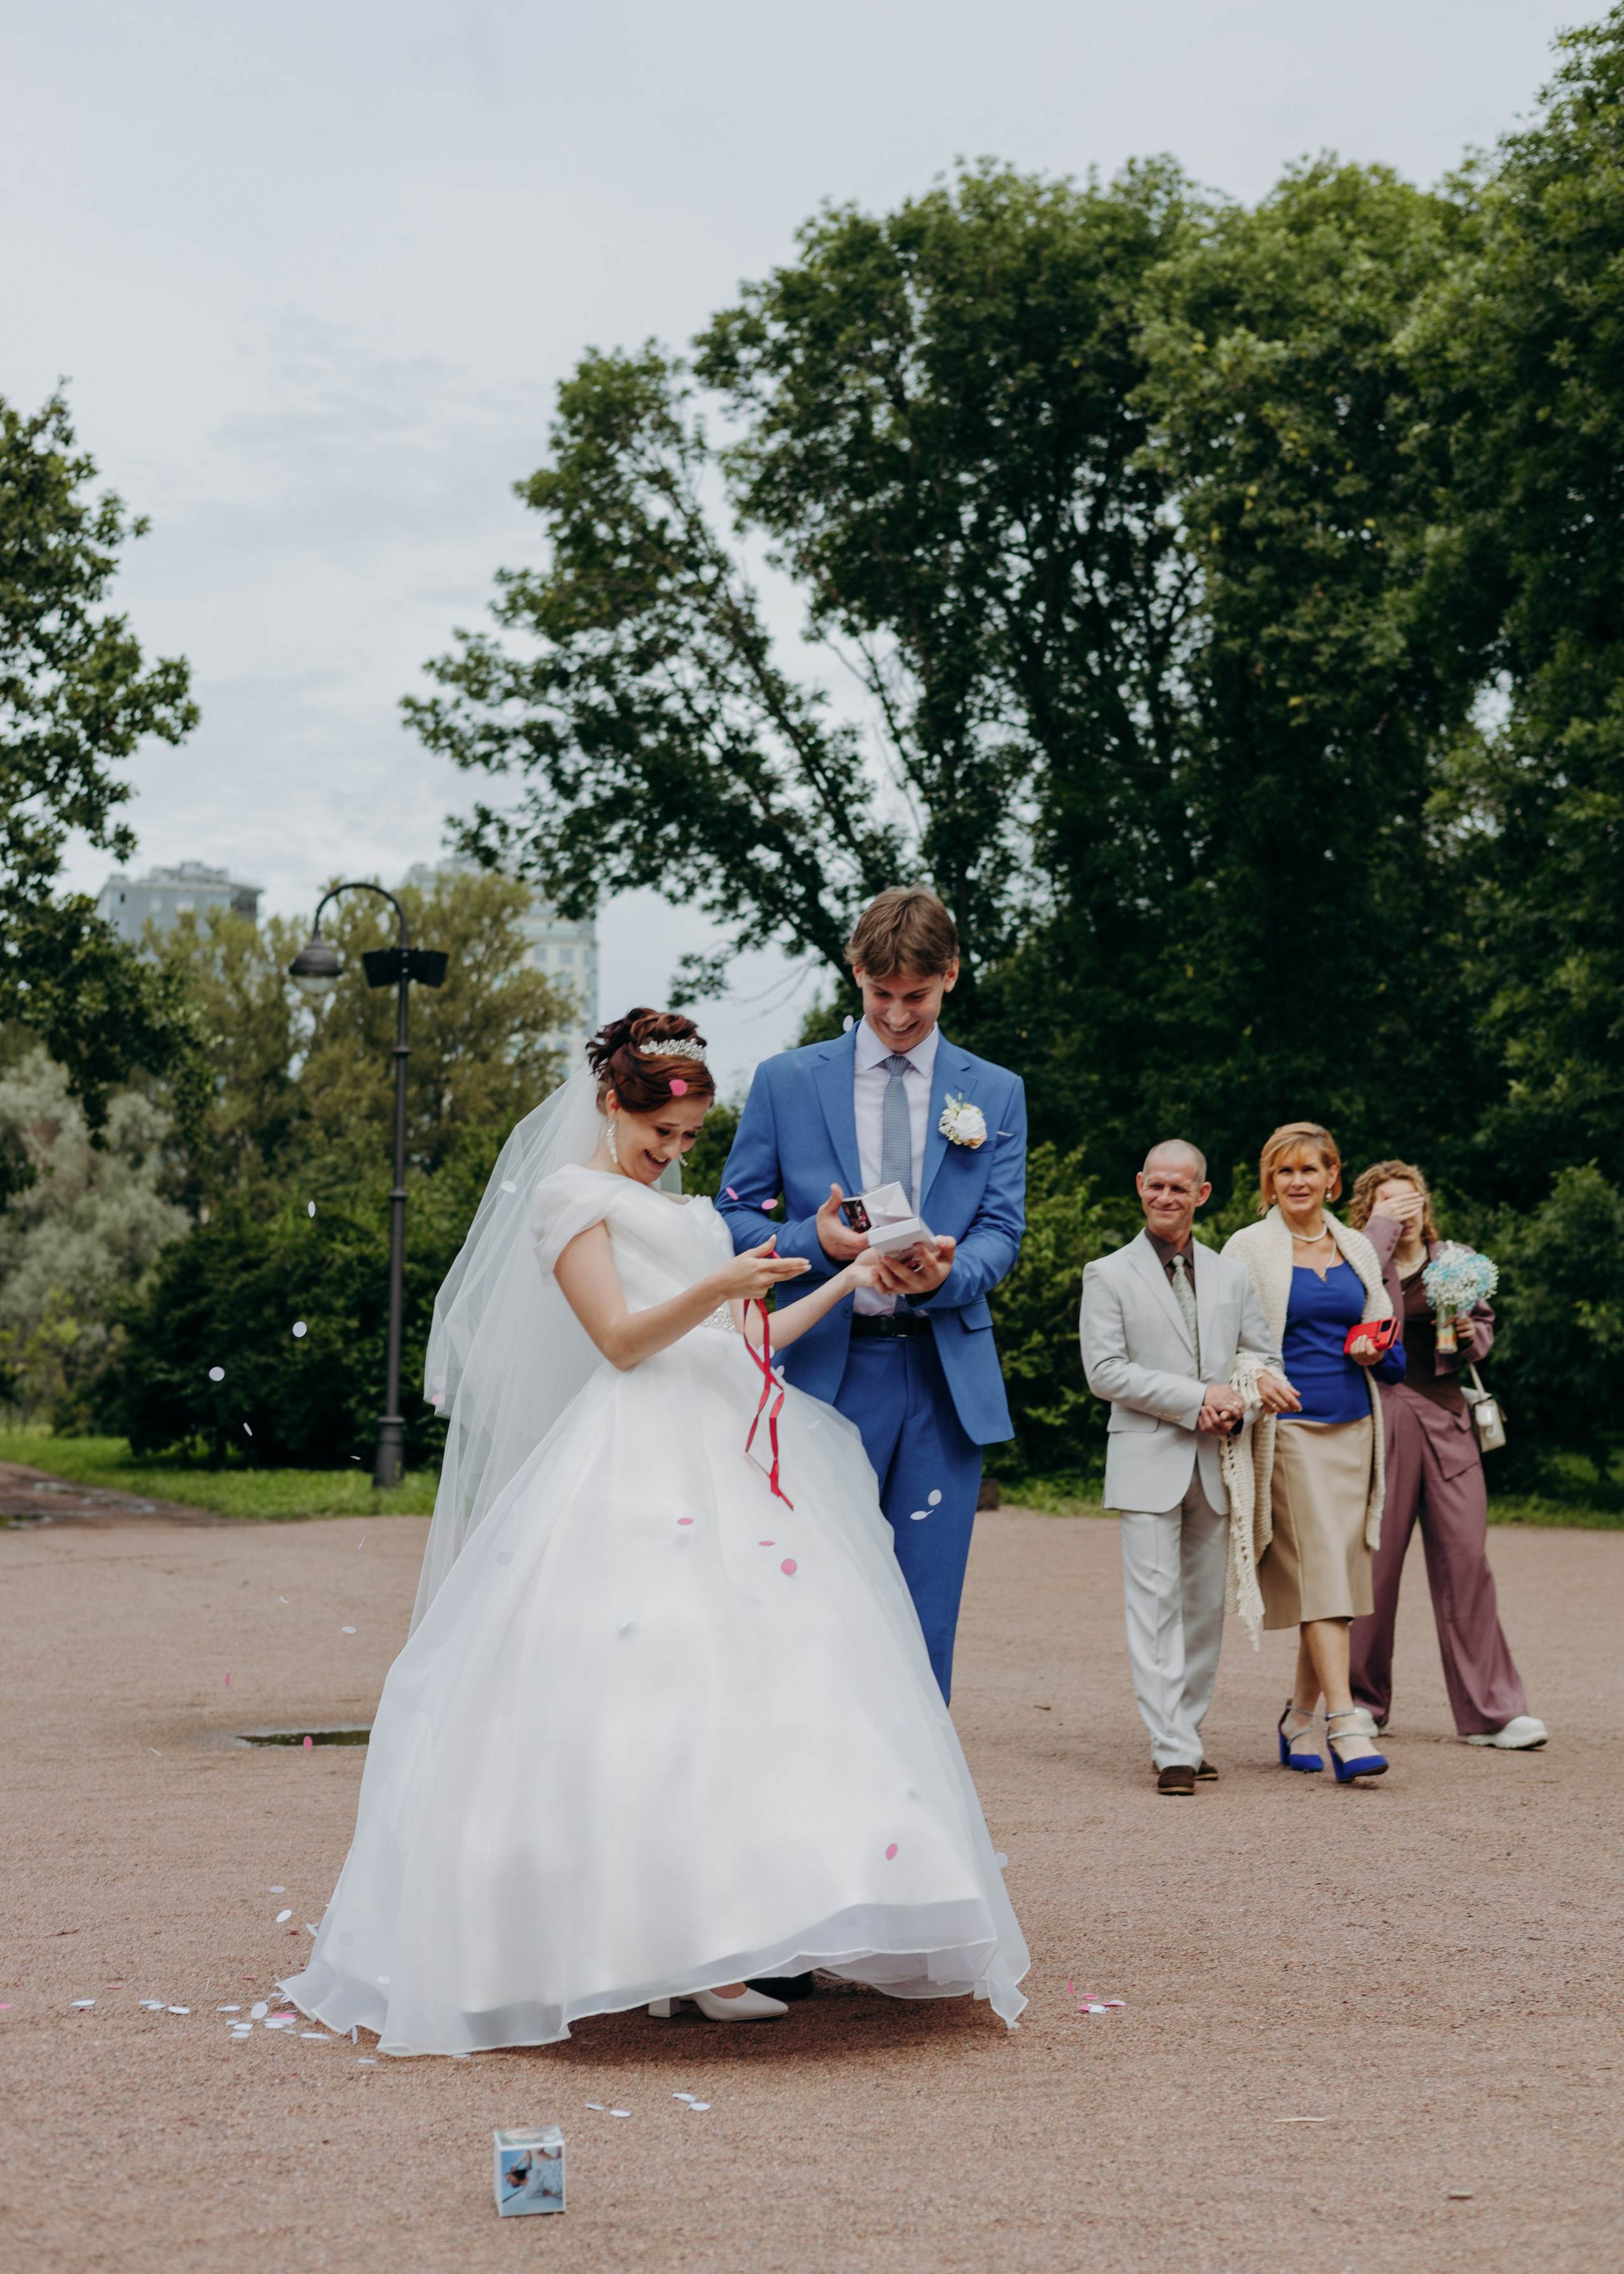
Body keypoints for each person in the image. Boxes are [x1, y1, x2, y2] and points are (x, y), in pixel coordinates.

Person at [282, 1009, 1028, 2054]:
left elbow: (744, 1344)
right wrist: (723, 1280)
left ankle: (726, 1945)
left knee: (763, 1681)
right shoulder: (567, 1199)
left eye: (686, 1139)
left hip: (731, 1439)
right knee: (651, 1686)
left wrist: (843, 1281)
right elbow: (625, 1341)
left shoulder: (671, 1207)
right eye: (659, 1135)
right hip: (637, 1450)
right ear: (611, 1103)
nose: (675, 1155)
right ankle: (658, 1946)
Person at [717, 887, 1026, 1707]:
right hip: (823, 1371)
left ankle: (918, 1811)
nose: (896, 1015)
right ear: (856, 973)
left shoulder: (994, 1093)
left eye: (915, 997)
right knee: (811, 1590)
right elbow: (733, 1216)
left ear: (951, 977)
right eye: (880, 994)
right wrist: (812, 1244)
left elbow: (1002, 1232)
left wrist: (945, 1275)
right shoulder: (786, 1080)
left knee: (926, 1609)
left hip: (940, 1377)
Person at [1080, 1141, 1291, 1795]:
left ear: (1202, 1194)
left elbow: (1260, 1355)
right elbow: (1104, 1371)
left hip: (1217, 1460)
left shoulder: (1230, 1275)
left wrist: (1244, 1402)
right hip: (1146, 1455)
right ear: (1140, 1185)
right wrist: (1197, 1398)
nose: (1165, 1197)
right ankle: (1170, 1745)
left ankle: (1186, 1730)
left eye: (1179, 1188)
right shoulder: (1107, 1273)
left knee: (1203, 1608)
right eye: (1155, 1186)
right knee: (1153, 1605)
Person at [1224, 1123, 1406, 1782]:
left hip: (1357, 1429)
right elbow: (1226, 1342)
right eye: (1283, 1171)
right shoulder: (1246, 1247)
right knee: (1326, 1572)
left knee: (1334, 1579)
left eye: (1310, 1169)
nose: (1297, 1181)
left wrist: (1373, 1348)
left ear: (1334, 1175)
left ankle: (1297, 1715)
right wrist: (1254, 1377)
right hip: (1290, 1430)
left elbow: (1390, 1345)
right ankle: (1344, 1720)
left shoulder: (1357, 1247)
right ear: (1268, 1182)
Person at [1344, 1160, 1547, 1750]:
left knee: (1467, 1564)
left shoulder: (1455, 1260)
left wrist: (1468, 1333)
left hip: (1449, 1418)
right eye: (1391, 1202)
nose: (1407, 1211)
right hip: (1383, 1416)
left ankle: (1492, 1712)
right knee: (1374, 1567)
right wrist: (1382, 1230)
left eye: (1413, 1201)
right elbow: (1350, 1310)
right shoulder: (1358, 1257)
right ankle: (1359, 1703)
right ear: (1372, 1210)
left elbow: (1483, 1331)